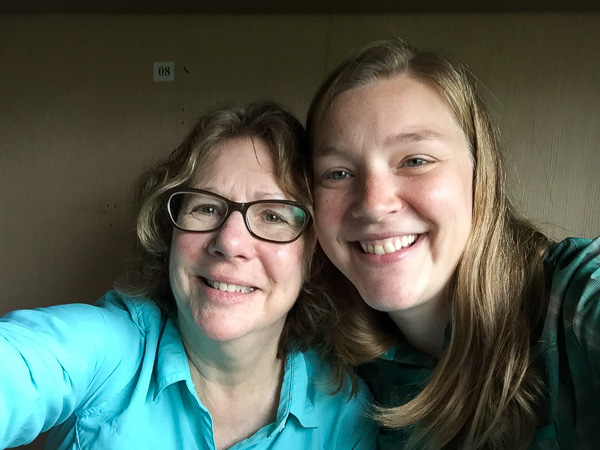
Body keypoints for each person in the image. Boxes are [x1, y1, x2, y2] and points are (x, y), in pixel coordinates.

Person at [0, 101, 377, 449]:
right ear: (172, 232)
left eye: (273, 216)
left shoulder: (345, 414)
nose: (229, 242)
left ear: (313, 256)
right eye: (207, 208)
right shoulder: (110, 349)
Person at [306, 39, 600, 449]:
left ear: (481, 175)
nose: (373, 205)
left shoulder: (574, 298)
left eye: (415, 160)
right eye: (337, 173)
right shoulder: (328, 355)